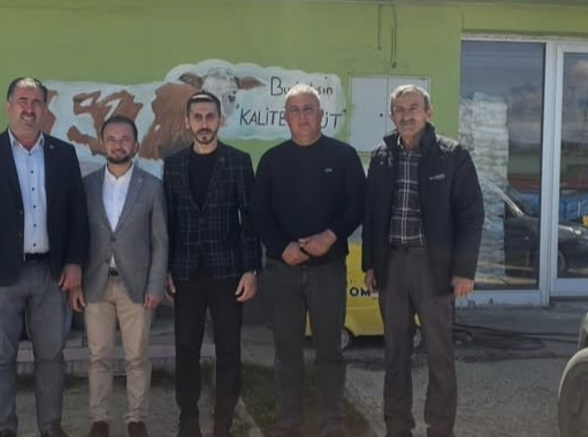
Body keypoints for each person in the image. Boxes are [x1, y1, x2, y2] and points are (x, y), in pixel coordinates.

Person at [0, 77, 89, 437]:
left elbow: (77, 213)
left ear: (45, 109)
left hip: (51, 273)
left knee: (51, 356)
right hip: (1, 276)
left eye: (36, 102)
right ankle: (4, 427)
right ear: (8, 106)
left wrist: (75, 261)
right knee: (0, 357)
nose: (29, 108)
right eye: (22, 100)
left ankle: (50, 426)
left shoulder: (63, 154)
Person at [362, 84, 484, 437]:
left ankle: (440, 428)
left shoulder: (452, 155)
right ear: (391, 116)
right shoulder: (382, 156)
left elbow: (471, 215)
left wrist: (464, 270)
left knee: (439, 355)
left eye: (414, 107)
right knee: (395, 354)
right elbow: (372, 215)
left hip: (434, 269)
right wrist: (370, 264)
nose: (406, 115)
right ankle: (397, 427)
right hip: (393, 267)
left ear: (428, 113)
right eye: (399, 110)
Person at [251, 84, 366, 437]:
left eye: (309, 109)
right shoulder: (272, 160)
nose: (302, 116)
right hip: (282, 271)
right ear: (285, 118)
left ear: (321, 115)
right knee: (287, 352)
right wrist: (280, 245)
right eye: (295, 110)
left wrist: (330, 236)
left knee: (330, 350)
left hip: (327, 270)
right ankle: (288, 422)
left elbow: (358, 204)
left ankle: (333, 422)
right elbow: (258, 211)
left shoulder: (343, 156)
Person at [163, 92, 260, 437]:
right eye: (198, 117)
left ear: (221, 120)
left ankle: (223, 420)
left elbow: (249, 220)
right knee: (186, 349)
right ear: (187, 122)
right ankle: (188, 419)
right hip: (186, 273)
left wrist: (251, 269)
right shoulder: (173, 165)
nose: (204, 124)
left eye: (210, 117)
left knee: (229, 350)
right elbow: (169, 222)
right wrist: (166, 269)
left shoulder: (238, 161)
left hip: (228, 273)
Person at [69, 116, 168, 437]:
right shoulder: (87, 186)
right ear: (102, 144)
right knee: (98, 355)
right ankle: (99, 418)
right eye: (111, 139)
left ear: (136, 145)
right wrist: (75, 283)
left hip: (136, 285)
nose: (118, 144)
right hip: (96, 283)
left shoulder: (151, 186)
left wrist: (155, 284)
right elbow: (78, 236)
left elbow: (160, 240)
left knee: (136, 356)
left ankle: (136, 418)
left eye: (125, 139)